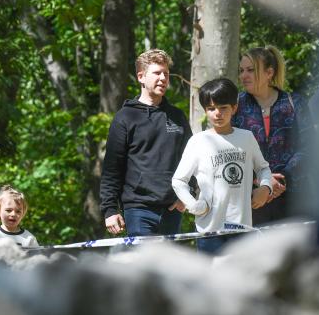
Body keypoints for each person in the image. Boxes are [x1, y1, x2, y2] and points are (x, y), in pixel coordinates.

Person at [172, 78, 273, 253]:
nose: (217, 113)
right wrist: (193, 205)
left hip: (242, 230)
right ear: (205, 110)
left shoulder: (247, 137)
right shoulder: (198, 141)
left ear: (234, 108)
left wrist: (265, 188)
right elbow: (179, 180)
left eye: (223, 107)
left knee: (241, 279)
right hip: (210, 231)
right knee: (211, 280)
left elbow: (263, 168)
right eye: (211, 108)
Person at [100, 49, 192, 237]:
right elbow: (112, 168)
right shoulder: (125, 117)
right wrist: (110, 210)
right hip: (138, 209)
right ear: (141, 77)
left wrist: (188, 195)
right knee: (143, 266)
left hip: (173, 209)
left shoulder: (177, 116)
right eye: (157, 73)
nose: (163, 78)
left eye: (166, 73)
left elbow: (193, 159)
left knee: (168, 266)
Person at [232, 46, 311, 224]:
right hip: (252, 198)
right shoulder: (235, 105)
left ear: (269, 73)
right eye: (241, 70)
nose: (243, 75)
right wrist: (260, 182)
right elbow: (230, 149)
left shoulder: (294, 103)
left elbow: (308, 148)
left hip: (293, 198)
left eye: (251, 70)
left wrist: (281, 179)